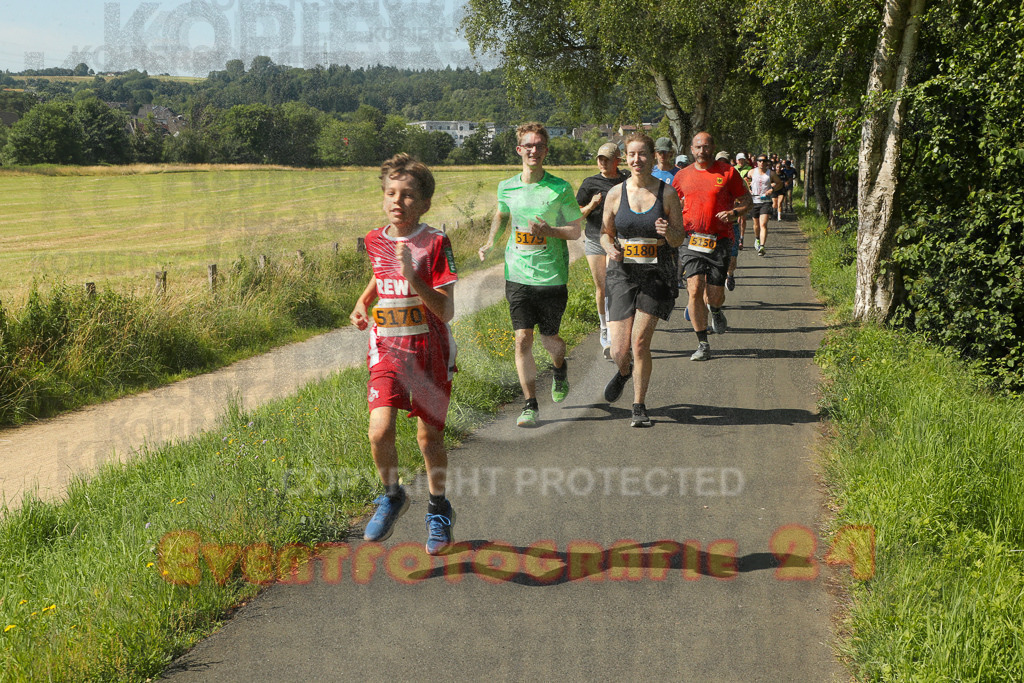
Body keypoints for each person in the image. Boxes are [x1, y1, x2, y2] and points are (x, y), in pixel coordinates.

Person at [349, 153, 458, 555]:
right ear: (382, 199)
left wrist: (414, 277)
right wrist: (363, 303)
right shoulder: (375, 239)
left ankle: (438, 507)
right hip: (386, 350)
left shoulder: (436, 242)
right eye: (391, 193)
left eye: (409, 195)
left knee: (428, 438)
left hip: (428, 353)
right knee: (379, 431)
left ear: (425, 203)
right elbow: (380, 276)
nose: (398, 201)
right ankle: (392, 495)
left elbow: (446, 310)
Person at [478, 122, 583, 427]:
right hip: (518, 275)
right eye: (529, 145)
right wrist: (490, 241)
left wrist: (549, 231)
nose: (534, 150)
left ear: (546, 150)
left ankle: (560, 369)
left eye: (539, 145)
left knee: (551, 340)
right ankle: (530, 404)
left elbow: (575, 231)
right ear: (519, 150)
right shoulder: (506, 186)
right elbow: (501, 213)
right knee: (522, 339)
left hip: (551, 277)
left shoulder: (559, 188)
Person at [600, 133, 685, 426]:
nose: (637, 160)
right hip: (622, 274)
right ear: (626, 159)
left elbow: (678, 238)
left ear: (652, 157)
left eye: (643, 154)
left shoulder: (667, 194)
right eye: (632, 155)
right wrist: (609, 247)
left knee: (639, 344)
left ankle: (639, 405)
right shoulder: (615, 194)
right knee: (618, 350)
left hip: (655, 273)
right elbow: (605, 234)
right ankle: (624, 371)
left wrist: (666, 232)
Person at [671, 132, 752, 361]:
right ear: (691, 149)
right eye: (698, 147)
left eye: (706, 147)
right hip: (691, 240)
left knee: (714, 295)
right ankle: (702, 343)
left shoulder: (727, 172)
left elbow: (747, 200)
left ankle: (715, 310)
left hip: (720, 240)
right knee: (694, 289)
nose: (702, 151)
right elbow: (671, 203)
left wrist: (734, 212)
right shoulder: (682, 176)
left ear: (713, 148)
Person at [576, 142, 630, 359]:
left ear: (617, 159)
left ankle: (620, 329)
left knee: (617, 286)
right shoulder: (590, 183)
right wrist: (592, 205)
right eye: (600, 158)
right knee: (602, 287)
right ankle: (605, 329)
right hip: (595, 239)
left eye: (607, 158)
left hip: (619, 239)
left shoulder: (625, 180)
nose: (602, 162)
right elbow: (576, 214)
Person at [747, 155, 784, 257]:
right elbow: (745, 180)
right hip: (754, 201)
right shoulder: (752, 172)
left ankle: (762, 246)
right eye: (759, 161)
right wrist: (748, 188)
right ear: (757, 162)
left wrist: (772, 190)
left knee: (763, 224)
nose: (761, 163)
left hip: (766, 201)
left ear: (767, 162)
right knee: (756, 225)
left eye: (763, 161)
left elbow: (779, 183)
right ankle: (757, 239)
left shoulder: (770, 173)